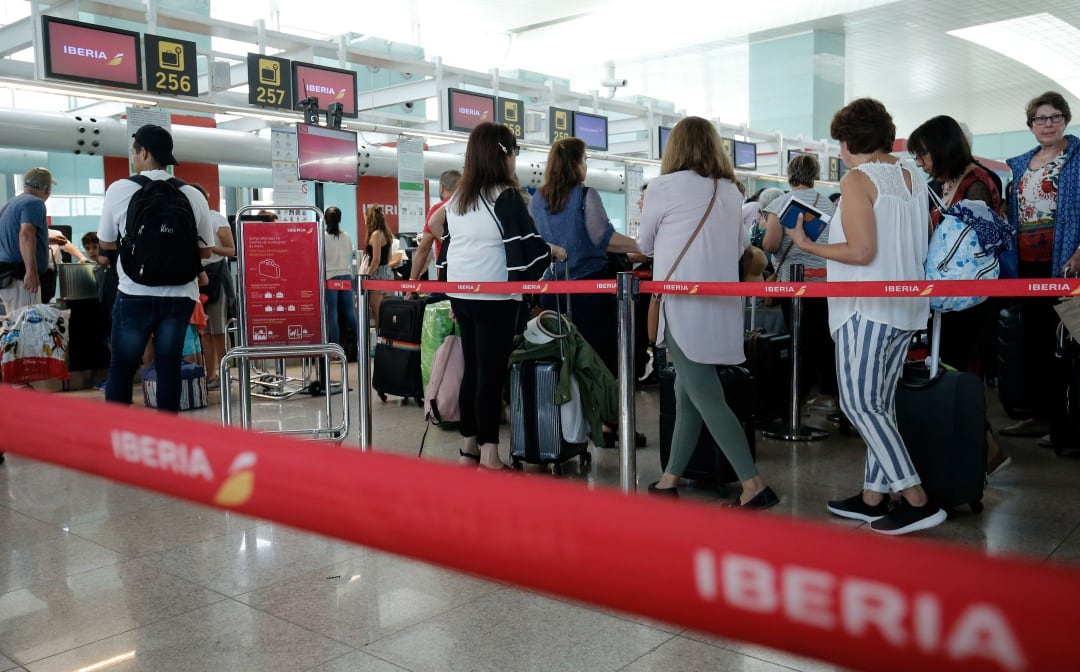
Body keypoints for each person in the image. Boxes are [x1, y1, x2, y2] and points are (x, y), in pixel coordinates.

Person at [786, 98, 946, 535]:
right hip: (906, 305)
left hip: (865, 307)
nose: (838, 151)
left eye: (839, 141)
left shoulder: (858, 180)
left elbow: (861, 251)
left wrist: (810, 244)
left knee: (859, 403)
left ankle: (916, 499)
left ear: (849, 140)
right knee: (880, 403)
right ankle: (874, 497)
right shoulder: (912, 174)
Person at [637, 116, 778, 508]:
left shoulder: (662, 187)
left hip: (683, 307)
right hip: (721, 306)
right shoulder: (732, 192)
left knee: (707, 396)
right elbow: (739, 250)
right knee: (689, 393)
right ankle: (670, 479)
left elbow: (644, 243)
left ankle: (754, 485)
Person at [443, 122, 565, 469]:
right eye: (513, 151)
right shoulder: (505, 196)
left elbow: (452, 247)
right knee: (491, 374)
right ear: (502, 154)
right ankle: (490, 455)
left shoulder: (457, 200)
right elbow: (529, 245)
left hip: (462, 293)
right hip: (494, 296)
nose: (515, 158)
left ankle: (469, 446)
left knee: (473, 371)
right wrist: (552, 251)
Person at [907, 114, 1011, 477]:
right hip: (949, 293)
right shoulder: (949, 181)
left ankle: (983, 449)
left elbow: (971, 243)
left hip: (971, 294)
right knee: (949, 365)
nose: (920, 163)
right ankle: (971, 448)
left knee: (961, 368)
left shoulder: (979, 182)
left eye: (923, 154)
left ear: (942, 148)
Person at [529, 137, 646, 447]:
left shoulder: (537, 200)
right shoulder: (585, 195)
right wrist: (643, 245)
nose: (586, 166)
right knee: (603, 363)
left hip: (552, 290)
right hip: (590, 291)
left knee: (564, 360)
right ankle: (608, 426)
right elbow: (603, 238)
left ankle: (569, 426)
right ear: (576, 164)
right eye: (584, 160)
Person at [97, 124, 214, 412]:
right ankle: (166, 437)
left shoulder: (120, 189)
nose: (134, 157)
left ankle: (117, 436)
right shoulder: (192, 193)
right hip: (180, 295)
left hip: (134, 292)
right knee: (169, 366)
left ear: (144, 152)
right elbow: (206, 250)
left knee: (123, 366)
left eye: (134, 151)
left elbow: (106, 243)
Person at [1001, 91, 1080, 446]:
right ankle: (1037, 414)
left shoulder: (1077, 158)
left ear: (1065, 119)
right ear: (1031, 125)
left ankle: (1064, 420)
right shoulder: (1021, 163)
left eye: (1054, 117)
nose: (1047, 124)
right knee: (1031, 339)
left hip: (1063, 261)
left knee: (1063, 341)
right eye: (1040, 119)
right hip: (1026, 264)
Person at [761, 153, 839, 413]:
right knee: (826, 339)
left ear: (790, 173)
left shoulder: (782, 203)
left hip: (793, 283)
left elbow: (771, 244)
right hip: (826, 282)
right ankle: (831, 393)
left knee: (798, 340)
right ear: (815, 174)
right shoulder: (829, 205)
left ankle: (799, 395)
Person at [190, 184, 236, 391]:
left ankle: (225, 374)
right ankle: (211, 375)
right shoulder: (188, 221)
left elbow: (231, 249)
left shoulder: (216, 218)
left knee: (219, 329)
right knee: (205, 331)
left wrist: (208, 248)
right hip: (196, 278)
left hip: (216, 276)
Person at [0, 168, 61, 315]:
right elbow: (26, 235)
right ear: (47, 189)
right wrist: (31, 272)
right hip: (22, 278)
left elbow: (13, 235)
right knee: (27, 327)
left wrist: (47, 239)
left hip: (8, 277)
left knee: (14, 326)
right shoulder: (35, 203)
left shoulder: (10, 204)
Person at [410, 169, 461, 282]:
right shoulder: (469, 208)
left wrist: (412, 283)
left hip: (448, 272)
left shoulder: (438, 209)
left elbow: (423, 249)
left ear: (441, 188)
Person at [322, 206, 359, 358]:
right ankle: (358, 346)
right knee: (350, 314)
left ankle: (335, 351)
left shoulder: (322, 237)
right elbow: (350, 253)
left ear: (325, 219)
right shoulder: (347, 236)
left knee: (332, 314)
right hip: (345, 276)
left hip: (330, 277)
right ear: (340, 219)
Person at [363, 204, 394, 324]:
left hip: (377, 275)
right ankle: (386, 341)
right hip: (387, 273)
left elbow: (376, 259)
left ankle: (379, 341)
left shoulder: (376, 234)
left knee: (378, 314)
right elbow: (389, 258)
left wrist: (366, 275)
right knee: (387, 314)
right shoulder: (386, 233)